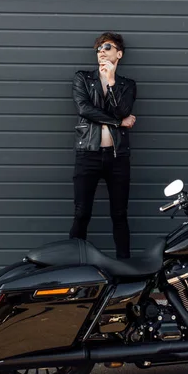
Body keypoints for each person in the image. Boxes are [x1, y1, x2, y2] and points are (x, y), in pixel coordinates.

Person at [69, 32, 137, 259]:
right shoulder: (82, 79)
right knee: (81, 213)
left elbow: (123, 110)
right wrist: (119, 122)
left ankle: (125, 268)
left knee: (120, 214)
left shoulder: (127, 85)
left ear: (119, 54)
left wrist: (111, 82)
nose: (101, 51)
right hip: (88, 154)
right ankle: (73, 266)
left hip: (118, 157)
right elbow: (85, 110)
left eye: (107, 47)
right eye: (98, 48)